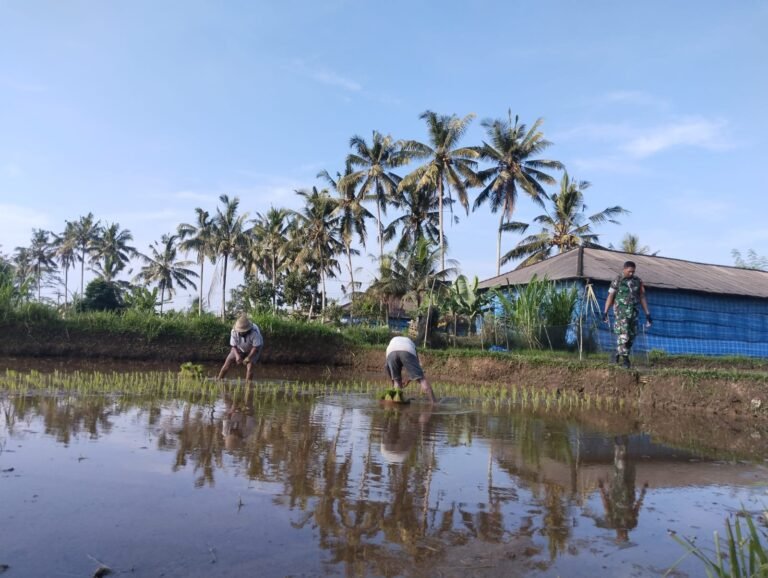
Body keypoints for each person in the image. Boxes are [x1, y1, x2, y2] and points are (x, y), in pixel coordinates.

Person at [603, 261, 652, 368]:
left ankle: (617, 353)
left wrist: (647, 314)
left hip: (633, 313)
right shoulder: (617, 280)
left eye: (633, 272)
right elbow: (610, 296)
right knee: (623, 335)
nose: (631, 273)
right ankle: (625, 360)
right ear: (624, 269)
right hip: (621, 313)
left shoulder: (638, 281)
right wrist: (605, 312)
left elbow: (642, 297)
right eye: (629, 271)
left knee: (632, 336)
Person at [385, 335, 437, 403]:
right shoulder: (411, 344)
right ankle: (434, 402)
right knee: (421, 379)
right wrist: (410, 379)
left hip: (391, 352)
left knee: (397, 381)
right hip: (407, 350)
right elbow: (416, 368)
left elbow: (387, 366)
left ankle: (397, 403)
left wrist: (393, 382)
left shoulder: (392, 342)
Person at [217, 314, 263, 381]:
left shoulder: (254, 332)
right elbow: (233, 345)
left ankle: (248, 386)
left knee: (250, 367)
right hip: (238, 347)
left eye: (242, 331)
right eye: (239, 331)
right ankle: (219, 379)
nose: (240, 332)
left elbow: (255, 347)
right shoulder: (234, 331)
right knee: (228, 361)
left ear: (247, 330)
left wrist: (248, 357)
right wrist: (237, 356)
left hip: (253, 348)